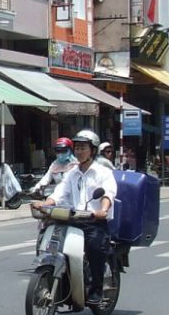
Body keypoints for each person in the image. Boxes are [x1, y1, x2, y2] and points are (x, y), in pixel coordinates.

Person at [32, 130, 116, 303]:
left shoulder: (102, 172)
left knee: (94, 247)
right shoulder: (71, 173)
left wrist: (103, 209)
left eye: (83, 148)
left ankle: (96, 289)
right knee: (49, 241)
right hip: (73, 220)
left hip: (94, 221)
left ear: (92, 150)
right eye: (77, 148)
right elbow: (59, 193)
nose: (79, 151)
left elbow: (108, 193)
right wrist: (46, 204)